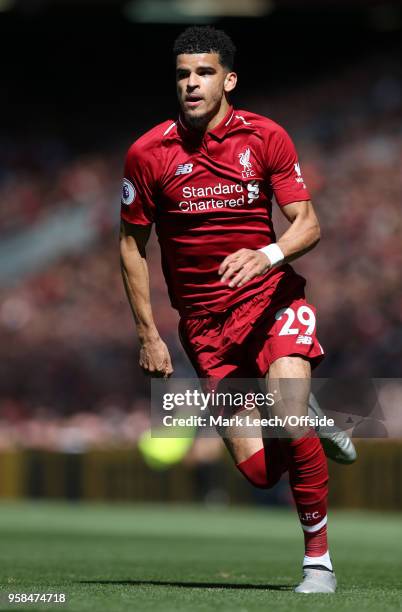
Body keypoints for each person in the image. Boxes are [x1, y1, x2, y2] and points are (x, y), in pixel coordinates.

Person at [120, 25, 355, 593]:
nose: (191, 84)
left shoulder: (266, 137)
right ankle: (311, 420)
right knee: (258, 471)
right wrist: (149, 333)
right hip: (204, 326)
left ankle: (317, 563)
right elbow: (131, 244)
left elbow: (309, 225)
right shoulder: (147, 154)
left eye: (203, 73)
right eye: (182, 74)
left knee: (287, 407)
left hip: (271, 300)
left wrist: (268, 254)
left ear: (229, 79)